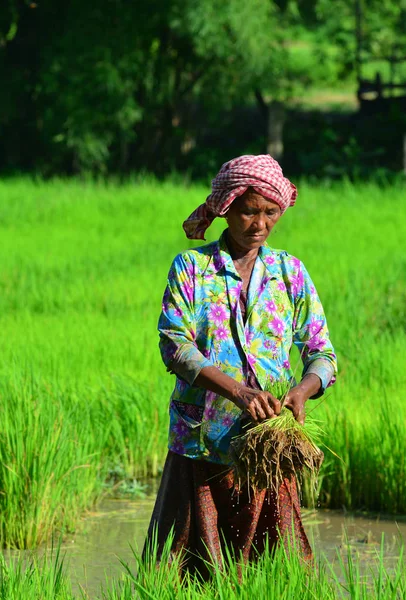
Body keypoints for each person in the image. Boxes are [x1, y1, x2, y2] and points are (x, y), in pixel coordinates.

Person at [143, 154, 337, 575]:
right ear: (226, 208)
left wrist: (302, 391)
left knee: (272, 571)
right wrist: (239, 392)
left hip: (266, 449)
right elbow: (175, 345)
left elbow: (322, 353)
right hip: (201, 443)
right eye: (249, 211)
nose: (260, 224)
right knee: (185, 571)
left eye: (271, 212)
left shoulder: (291, 273)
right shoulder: (193, 269)